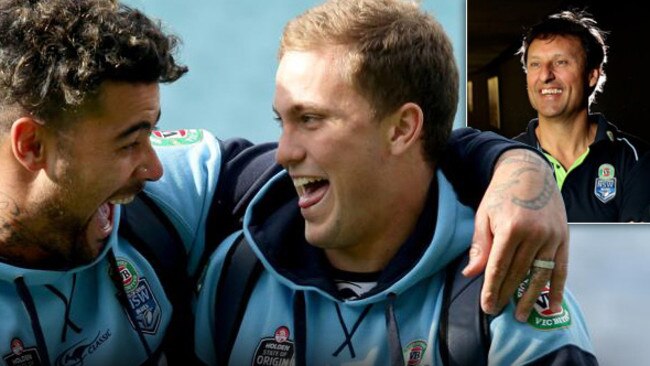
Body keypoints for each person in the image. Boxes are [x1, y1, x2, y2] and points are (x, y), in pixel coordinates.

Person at [0, 0, 568, 364]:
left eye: (152, 135)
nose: (153, 168)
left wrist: (519, 167)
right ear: (31, 147)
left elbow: (392, 157)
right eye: (129, 142)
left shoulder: (179, 198)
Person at [194, 0, 595, 364]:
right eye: (282, 122)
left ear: (403, 128)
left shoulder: (507, 293)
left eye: (310, 119)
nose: (283, 154)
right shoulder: (236, 271)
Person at [514, 9, 650, 222]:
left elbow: (636, 251)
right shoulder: (506, 159)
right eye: (535, 64)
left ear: (591, 75)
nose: (545, 75)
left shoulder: (634, 159)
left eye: (561, 62)